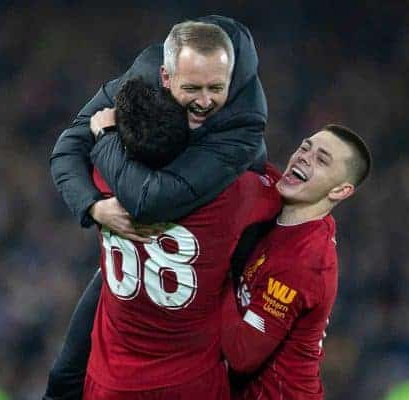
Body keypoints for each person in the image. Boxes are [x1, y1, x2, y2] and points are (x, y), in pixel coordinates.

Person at [46, 15, 269, 399]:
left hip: (216, 260)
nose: (204, 101)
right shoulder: (141, 79)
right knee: (66, 377)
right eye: (192, 88)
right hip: (141, 261)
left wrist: (107, 138)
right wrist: (94, 207)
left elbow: (150, 201)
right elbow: (67, 148)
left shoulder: (244, 123)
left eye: (217, 87)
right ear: (165, 78)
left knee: (242, 370)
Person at [85, 82, 282, 398]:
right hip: (191, 380)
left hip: (113, 381)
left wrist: (104, 133)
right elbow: (280, 190)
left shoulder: (102, 177)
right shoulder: (235, 193)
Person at [221, 125, 372, 399]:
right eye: (305, 147)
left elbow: (242, 354)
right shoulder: (282, 203)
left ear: (340, 190)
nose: (304, 157)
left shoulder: (305, 261)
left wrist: (215, 272)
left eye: (322, 159)